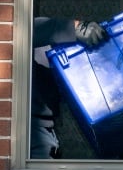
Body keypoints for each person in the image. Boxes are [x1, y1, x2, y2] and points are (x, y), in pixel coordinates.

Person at [30, 18, 107, 159]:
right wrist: (77, 28)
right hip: (31, 130)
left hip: (43, 128)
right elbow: (29, 28)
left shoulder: (46, 53)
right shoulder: (23, 30)